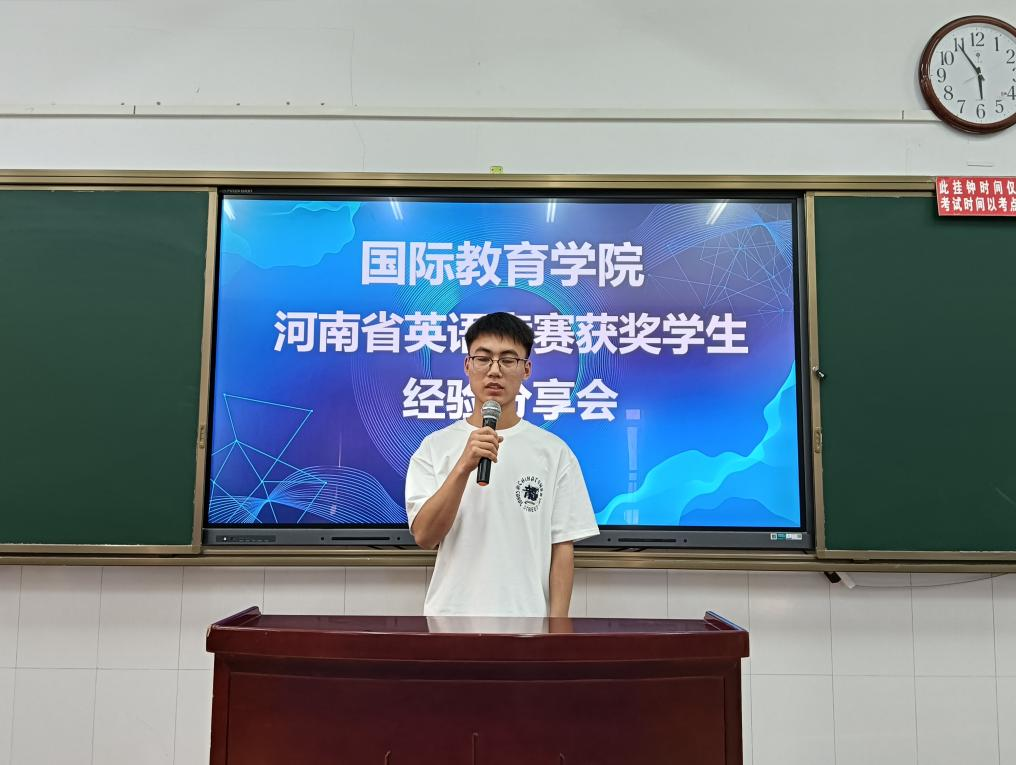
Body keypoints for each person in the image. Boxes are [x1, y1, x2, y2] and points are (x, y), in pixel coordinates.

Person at [406, 312, 599, 617]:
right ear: (467, 365)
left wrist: (558, 626)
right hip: (450, 619)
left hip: (527, 620)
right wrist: (463, 467)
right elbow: (425, 537)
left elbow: (562, 546)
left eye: (508, 360)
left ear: (526, 370)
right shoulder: (434, 447)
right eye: (483, 359)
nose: (494, 371)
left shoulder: (554, 452)